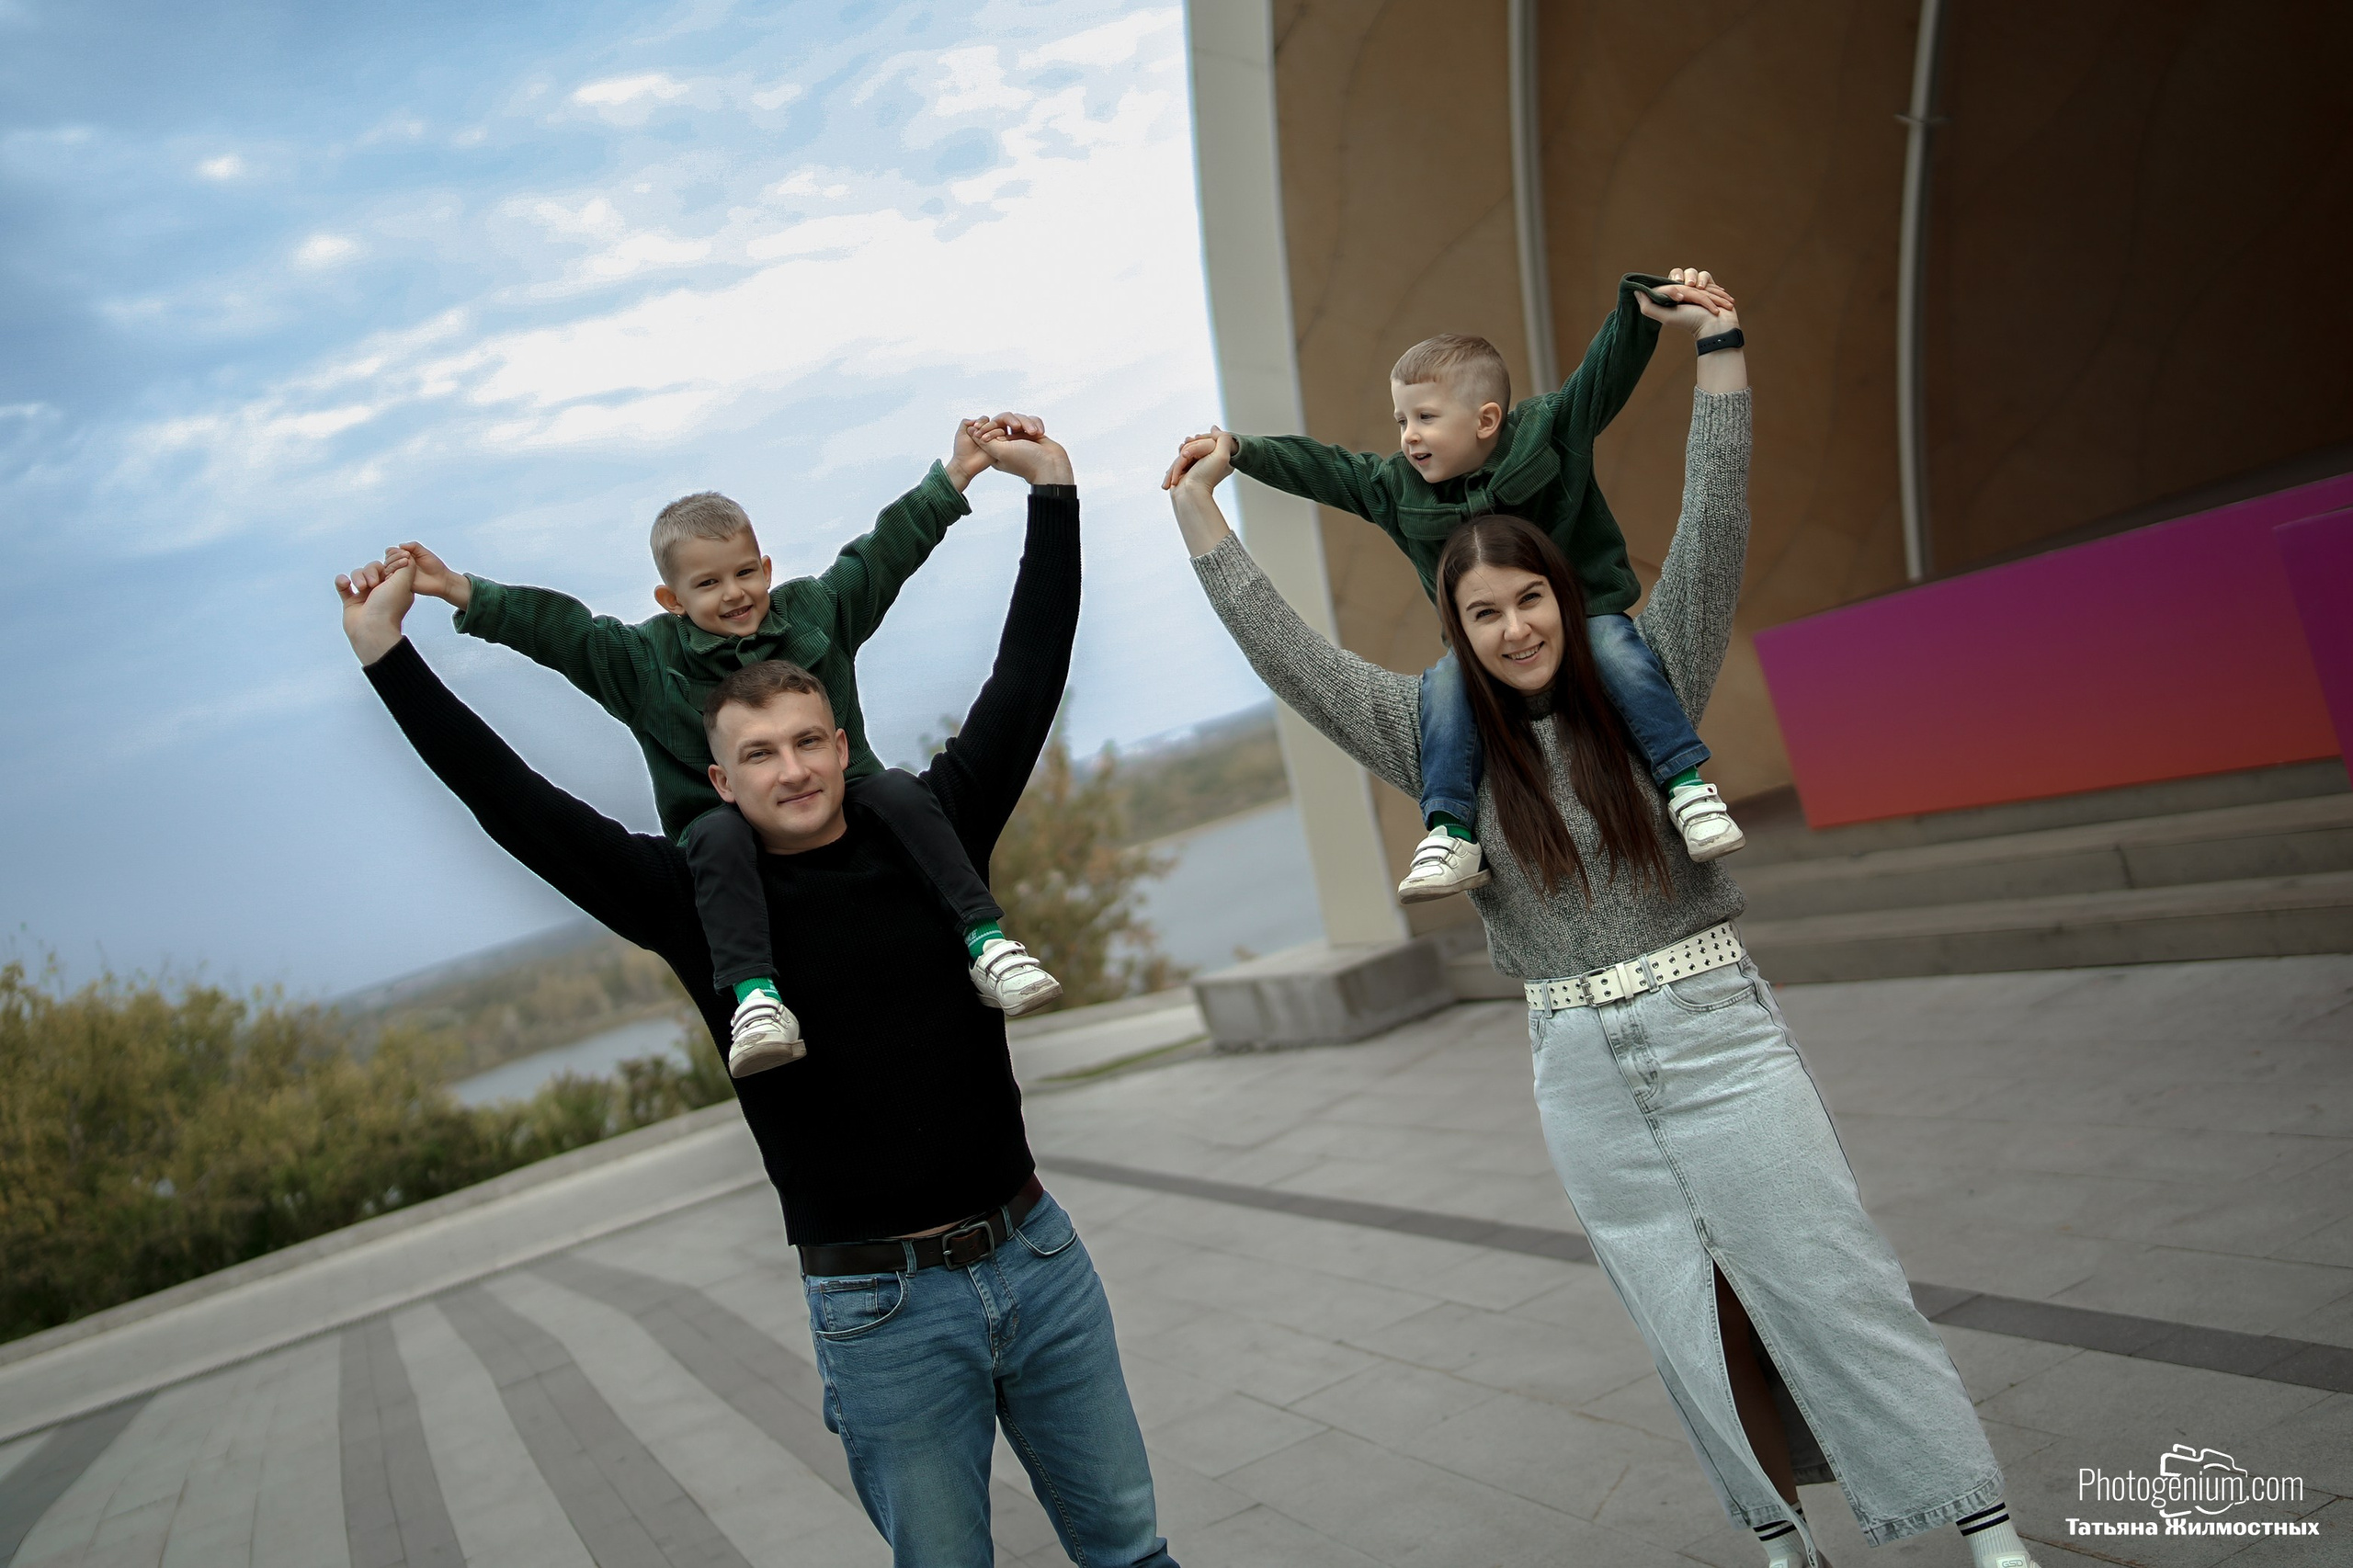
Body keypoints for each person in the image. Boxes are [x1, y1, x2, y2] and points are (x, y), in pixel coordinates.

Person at [1166, 277, 2038, 1568]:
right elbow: (1291, 656)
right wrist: (1199, 512)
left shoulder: (1650, 679)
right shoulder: (1430, 738)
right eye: (1482, 613)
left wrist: (1721, 353)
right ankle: (1781, 1537)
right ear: (1457, 629)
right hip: (1579, 1066)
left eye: (1529, 598)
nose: (1513, 626)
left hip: (1716, 1033)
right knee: (1686, 1320)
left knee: (1831, 1276)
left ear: (1563, 594)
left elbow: (1715, 522)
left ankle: (1985, 1526)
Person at [336, 425, 1177, 1568]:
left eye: (808, 741)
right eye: (760, 754)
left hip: (1039, 1259)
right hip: (881, 1309)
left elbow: (1027, 672)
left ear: (840, 742)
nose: (793, 768)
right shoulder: (693, 900)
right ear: (719, 779)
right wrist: (388, 654)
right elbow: (515, 802)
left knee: (1133, 1553)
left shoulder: (929, 828)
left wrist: (1053, 493)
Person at [389, 417, 1062, 1079]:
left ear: (766, 567)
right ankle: (757, 998)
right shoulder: (645, 664)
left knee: (899, 791)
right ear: (671, 598)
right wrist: (457, 590)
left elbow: (882, 556)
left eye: (744, 573)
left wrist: (957, 473)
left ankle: (985, 942)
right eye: (708, 584)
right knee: (718, 834)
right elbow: (564, 632)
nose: (735, 594)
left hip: (849, 800)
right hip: (718, 835)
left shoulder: (815, 614)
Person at [1164, 272, 1747, 904]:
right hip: (1472, 666)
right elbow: (1329, 470)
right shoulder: (1397, 490)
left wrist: (1641, 309)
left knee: (1617, 651)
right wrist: (1241, 450)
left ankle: (1685, 785)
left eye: (1425, 417)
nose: (1408, 435)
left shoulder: (1548, 435)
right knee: (1445, 684)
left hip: (1592, 616)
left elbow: (1601, 381)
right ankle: (1453, 830)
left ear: (1486, 419)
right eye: (1401, 420)